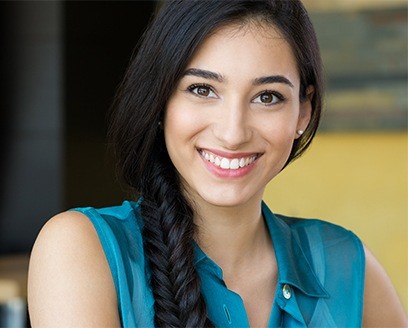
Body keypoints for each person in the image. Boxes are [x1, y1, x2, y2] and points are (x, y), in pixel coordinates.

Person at [28, 0, 407, 327]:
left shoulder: (347, 265)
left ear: (302, 113)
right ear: (161, 103)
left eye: (268, 97)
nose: (232, 132)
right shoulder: (81, 249)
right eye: (202, 90)